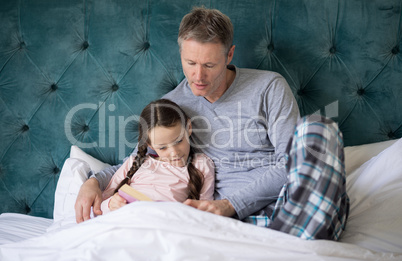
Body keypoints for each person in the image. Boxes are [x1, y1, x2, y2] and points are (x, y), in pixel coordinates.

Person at [75, 7, 349, 240]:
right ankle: (288, 240)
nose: (198, 76)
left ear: (229, 56)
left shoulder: (268, 86)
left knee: (319, 131)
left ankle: (296, 230)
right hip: (230, 222)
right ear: (180, 53)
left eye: (209, 65)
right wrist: (93, 182)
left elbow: (291, 161)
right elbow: (137, 160)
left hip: (286, 198)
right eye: (190, 62)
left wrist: (231, 204)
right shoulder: (172, 106)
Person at [100, 99, 214, 214]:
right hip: (126, 217)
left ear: (188, 127)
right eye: (163, 148)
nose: (174, 152)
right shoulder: (135, 162)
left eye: (179, 141)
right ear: (151, 145)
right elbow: (103, 201)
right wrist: (111, 203)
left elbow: (206, 211)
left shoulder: (201, 164)